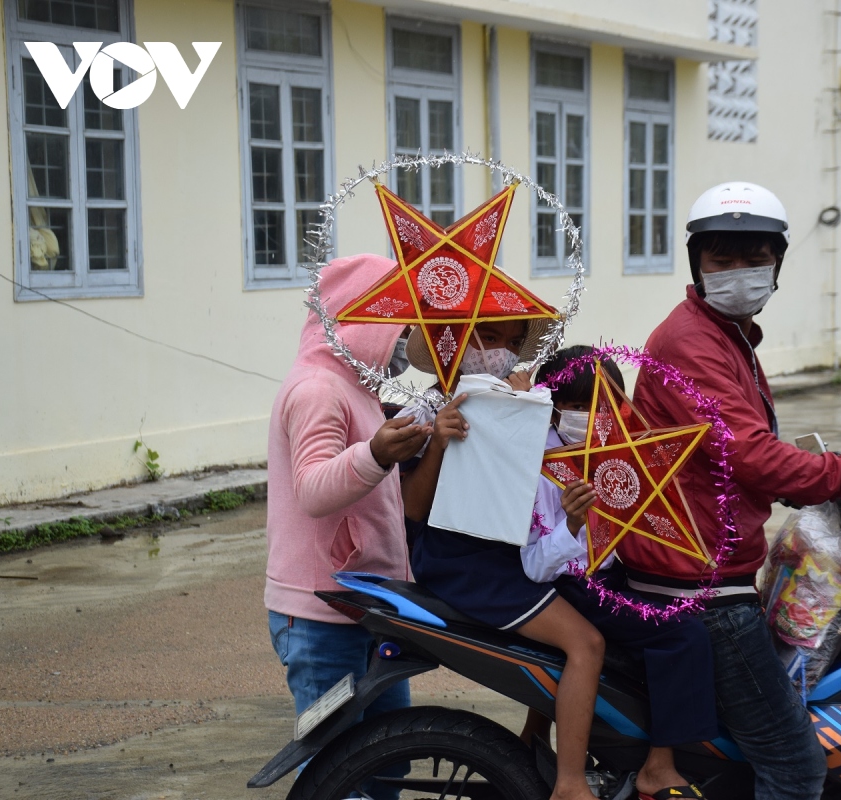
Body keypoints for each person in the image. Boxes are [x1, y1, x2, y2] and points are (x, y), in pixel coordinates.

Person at [628, 182, 841, 800]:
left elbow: (744, 448)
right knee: (796, 767)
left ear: (777, 264)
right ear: (698, 263)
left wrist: (816, 478)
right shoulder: (693, 342)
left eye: (755, 259)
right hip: (699, 582)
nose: (740, 273)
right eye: (723, 260)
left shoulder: (730, 335)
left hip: (706, 561)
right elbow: (746, 453)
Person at [400, 320, 607, 800]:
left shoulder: (515, 401)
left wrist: (528, 408)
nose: (503, 354)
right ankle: (571, 784)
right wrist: (440, 442)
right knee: (586, 644)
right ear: (453, 341)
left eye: (514, 343)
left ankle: (535, 737)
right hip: (466, 563)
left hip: (511, 550)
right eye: (489, 338)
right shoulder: (429, 407)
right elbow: (413, 508)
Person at [519, 345, 716, 800]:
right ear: (554, 406)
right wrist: (570, 524)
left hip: (608, 578)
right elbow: (534, 565)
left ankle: (535, 738)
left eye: (601, 406)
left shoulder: (613, 451)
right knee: (684, 636)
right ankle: (659, 765)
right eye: (576, 406)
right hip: (573, 586)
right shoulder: (536, 463)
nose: (589, 416)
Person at [264, 254, 432, 766]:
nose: (404, 340)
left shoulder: (355, 387)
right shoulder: (317, 389)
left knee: (385, 759)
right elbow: (314, 490)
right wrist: (378, 453)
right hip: (321, 613)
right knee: (337, 768)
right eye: (397, 326)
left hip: (366, 603)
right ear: (360, 322)